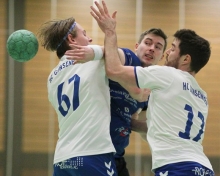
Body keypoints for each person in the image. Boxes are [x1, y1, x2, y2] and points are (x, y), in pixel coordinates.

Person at [90, 1, 215, 175]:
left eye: (171, 49)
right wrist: (127, 120)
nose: (166, 54)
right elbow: (157, 127)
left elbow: (113, 70)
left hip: (176, 166)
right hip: (203, 166)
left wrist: (110, 31)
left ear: (185, 59)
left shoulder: (166, 75)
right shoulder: (201, 95)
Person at [65, 28, 167, 176]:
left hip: (117, 155)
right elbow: (110, 51)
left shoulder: (150, 86)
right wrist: (91, 52)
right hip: (95, 150)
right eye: (148, 43)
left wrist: (163, 129)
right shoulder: (130, 58)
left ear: (162, 56)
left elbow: (134, 123)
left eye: (158, 47)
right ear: (137, 47)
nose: (152, 49)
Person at [38, 17, 117, 176]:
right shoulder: (92, 58)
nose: (90, 39)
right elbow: (116, 53)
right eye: (84, 34)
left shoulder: (52, 78)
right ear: (71, 39)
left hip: (62, 158)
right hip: (91, 153)